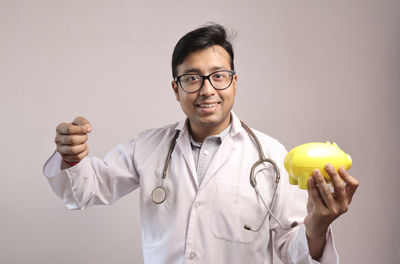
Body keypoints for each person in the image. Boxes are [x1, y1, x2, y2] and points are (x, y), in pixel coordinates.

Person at [43, 24, 359, 263]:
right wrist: (72, 156)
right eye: (192, 78)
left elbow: (293, 252)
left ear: (234, 82)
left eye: (218, 75)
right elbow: (84, 190)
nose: (207, 89)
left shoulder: (272, 156)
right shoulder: (148, 147)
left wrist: (317, 224)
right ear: (175, 88)